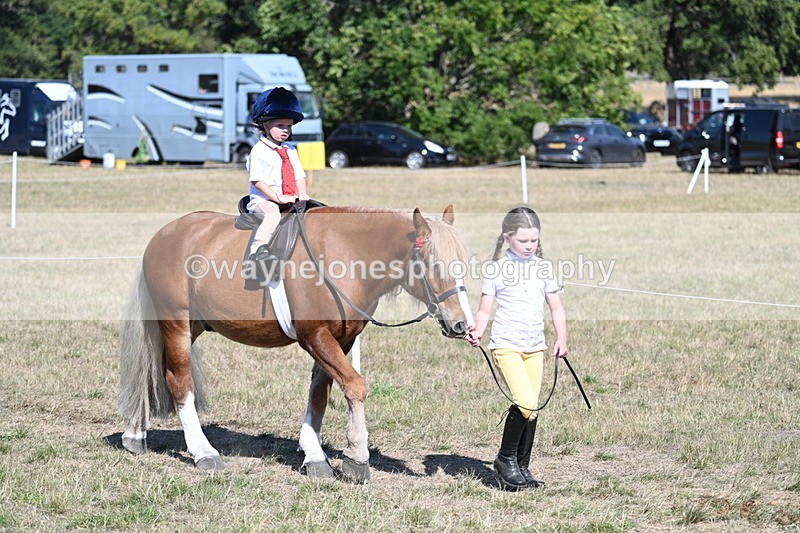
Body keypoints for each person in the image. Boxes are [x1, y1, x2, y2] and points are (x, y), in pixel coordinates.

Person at [466, 206, 568, 490]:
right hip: (507, 346)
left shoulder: (544, 268)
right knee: (525, 402)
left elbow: (556, 308)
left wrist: (562, 338)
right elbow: (485, 311)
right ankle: (504, 460)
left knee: (532, 409)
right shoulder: (496, 269)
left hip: (535, 347)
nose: (529, 246)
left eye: (534, 241)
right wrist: (477, 331)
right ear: (507, 237)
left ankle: (522, 467)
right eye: (523, 241)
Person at [246, 87, 309, 264]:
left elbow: (299, 176)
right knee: (272, 214)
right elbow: (258, 181)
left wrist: (302, 194)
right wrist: (277, 198)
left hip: (290, 197)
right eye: (280, 125)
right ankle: (257, 251)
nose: (285, 130)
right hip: (264, 200)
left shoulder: (290, 150)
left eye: (288, 126)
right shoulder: (259, 151)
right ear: (266, 125)